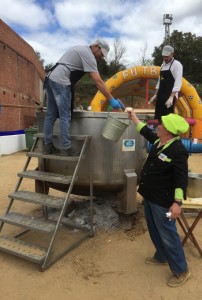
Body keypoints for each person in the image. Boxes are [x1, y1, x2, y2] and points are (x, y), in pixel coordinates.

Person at [127, 109, 191, 287]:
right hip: (150, 196)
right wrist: (133, 116)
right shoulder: (158, 141)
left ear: (168, 130)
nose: (158, 126)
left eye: (161, 124)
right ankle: (161, 255)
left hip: (164, 201)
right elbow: (144, 130)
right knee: (154, 229)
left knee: (168, 233)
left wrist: (177, 203)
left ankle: (181, 270)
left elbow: (181, 179)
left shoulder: (178, 150)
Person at [43, 39, 122, 156]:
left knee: (50, 115)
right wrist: (111, 99)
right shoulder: (88, 54)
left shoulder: (80, 49)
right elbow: (98, 82)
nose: (101, 57)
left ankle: (48, 146)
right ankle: (66, 148)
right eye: (101, 54)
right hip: (61, 81)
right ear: (96, 47)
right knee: (65, 116)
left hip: (50, 78)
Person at [149, 45, 183, 120]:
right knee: (158, 117)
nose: (165, 58)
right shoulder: (162, 65)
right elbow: (160, 81)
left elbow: (178, 82)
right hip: (161, 94)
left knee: (168, 119)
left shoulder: (177, 65)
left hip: (170, 94)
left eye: (167, 56)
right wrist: (155, 95)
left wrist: (171, 97)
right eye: (164, 56)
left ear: (172, 54)